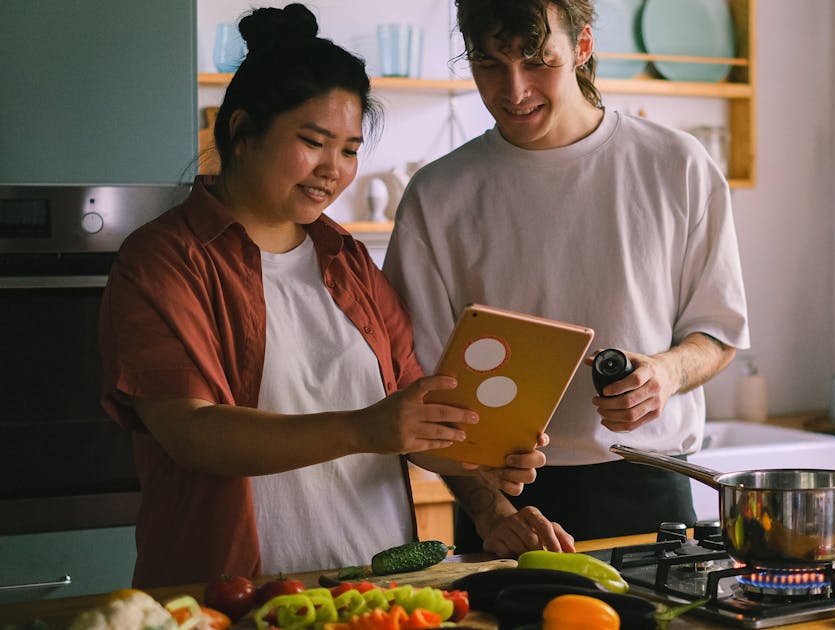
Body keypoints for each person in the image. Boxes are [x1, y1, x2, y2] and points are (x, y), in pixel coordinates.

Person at [99, 4, 546, 588]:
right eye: (314, 142)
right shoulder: (164, 260)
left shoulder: (350, 260)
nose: (332, 169)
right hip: (231, 594)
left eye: (351, 149)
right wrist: (364, 429)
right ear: (241, 130)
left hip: (378, 592)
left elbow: (408, 415)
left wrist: (491, 495)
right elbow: (193, 434)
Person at [382, 0, 749, 555]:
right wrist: (489, 511)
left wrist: (667, 373)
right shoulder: (437, 197)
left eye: (536, 61)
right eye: (489, 64)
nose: (514, 90)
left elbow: (719, 333)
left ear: (581, 48)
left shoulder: (678, 166)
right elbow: (416, 391)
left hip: (651, 485)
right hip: (505, 502)